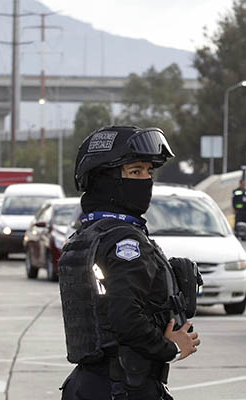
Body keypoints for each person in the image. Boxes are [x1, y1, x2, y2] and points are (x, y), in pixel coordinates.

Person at [58, 126, 200, 400]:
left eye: (149, 171)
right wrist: (169, 346)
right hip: (124, 387)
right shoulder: (125, 241)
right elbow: (125, 315)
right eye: (135, 172)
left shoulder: (89, 235)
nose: (146, 179)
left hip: (89, 384)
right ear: (105, 179)